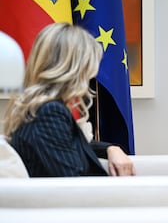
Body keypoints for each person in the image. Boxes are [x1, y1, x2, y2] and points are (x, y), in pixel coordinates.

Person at [3, 23, 136, 177]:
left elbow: (68, 145)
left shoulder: (40, 109)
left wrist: (110, 148)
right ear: (74, 69)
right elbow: (74, 185)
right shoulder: (49, 113)